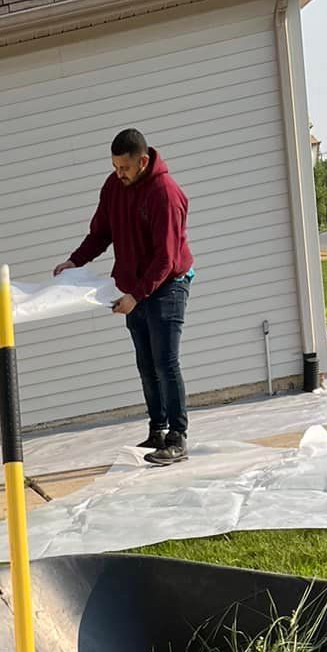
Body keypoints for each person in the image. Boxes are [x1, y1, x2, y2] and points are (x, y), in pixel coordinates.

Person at [55, 128, 194, 465]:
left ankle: (177, 436)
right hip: (135, 287)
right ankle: (157, 431)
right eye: (115, 167)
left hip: (169, 284)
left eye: (125, 168)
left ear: (143, 161)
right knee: (146, 364)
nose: (119, 174)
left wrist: (136, 295)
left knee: (165, 361)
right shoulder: (114, 187)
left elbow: (166, 258)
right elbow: (100, 233)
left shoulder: (165, 194)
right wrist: (75, 261)